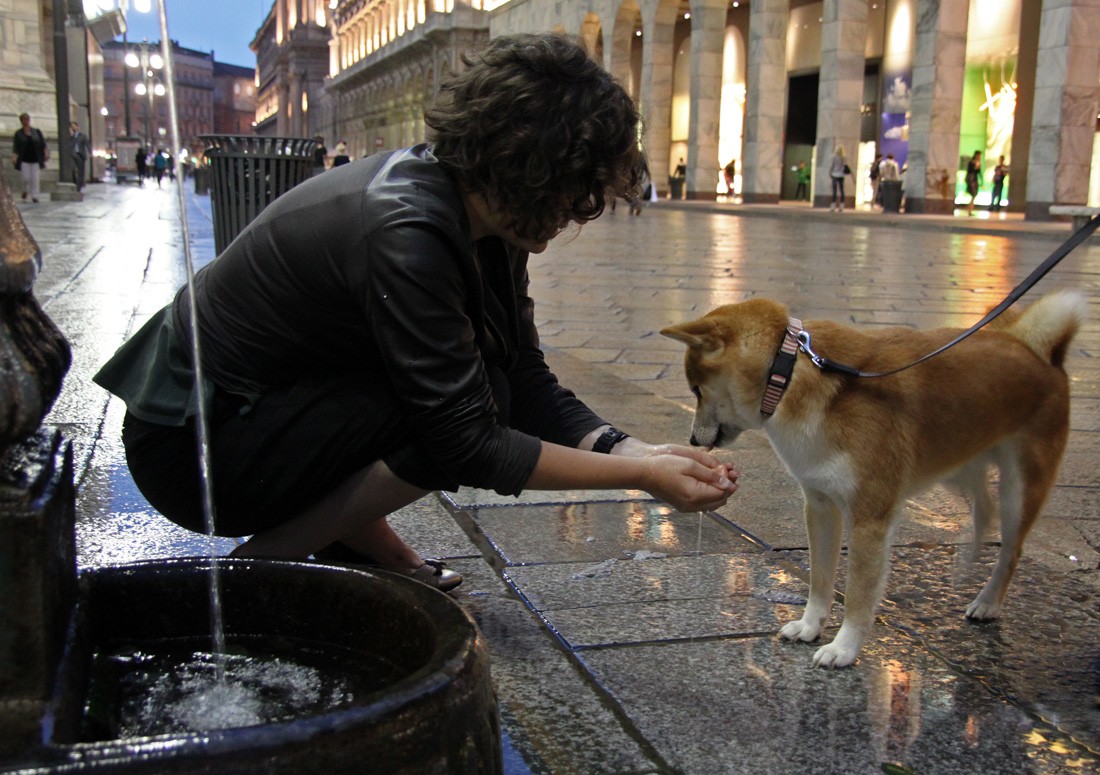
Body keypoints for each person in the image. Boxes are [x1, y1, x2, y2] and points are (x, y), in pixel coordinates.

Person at [92, 33, 739, 593]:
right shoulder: (408, 228)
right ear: (534, 169)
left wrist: (637, 447)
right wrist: (638, 476)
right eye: (580, 186)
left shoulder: (487, 216)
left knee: (487, 381)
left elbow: (529, 378)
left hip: (263, 408)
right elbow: (470, 444)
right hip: (195, 448)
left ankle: (356, 539)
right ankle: (264, 564)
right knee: (450, 415)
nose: (582, 209)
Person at [11, 112, 48, 203]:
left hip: (35, 158)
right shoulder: (18, 133)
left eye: (27, 119)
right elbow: (16, 146)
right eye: (24, 120)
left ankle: (35, 195)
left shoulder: (36, 132)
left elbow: (43, 143)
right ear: (21, 121)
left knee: (35, 178)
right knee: (26, 178)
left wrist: (46, 152)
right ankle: (25, 191)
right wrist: (14, 156)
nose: (26, 121)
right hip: (24, 158)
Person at [70, 121, 90, 192]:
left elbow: (87, 145)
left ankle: (79, 187)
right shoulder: (70, 137)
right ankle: (75, 183)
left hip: (80, 155)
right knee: (73, 170)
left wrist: (90, 152)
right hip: (72, 155)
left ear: (77, 127)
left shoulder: (82, 136)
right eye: (72, 126)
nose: (73, 128)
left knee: (80, 172)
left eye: (74, 126)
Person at [828, 145, 848, 212]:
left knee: (834, 191)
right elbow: (845, 166)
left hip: (834, 174)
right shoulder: (844, 157)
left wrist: (829, 172)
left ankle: (833, 206)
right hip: (841, 175)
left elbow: (831, 165)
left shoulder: (833, 156)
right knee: (842, 190)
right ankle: (842, 206)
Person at [965, 150, 982, 215]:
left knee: (974, 194)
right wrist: (975, 168)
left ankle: (970, 208)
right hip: (972, 180)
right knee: (973, 194)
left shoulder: (977, 163)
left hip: (974, 179)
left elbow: (978, 172)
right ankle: (970, 208)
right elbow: (970, 171)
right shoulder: (972, 163)